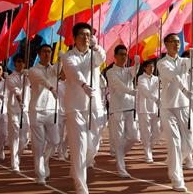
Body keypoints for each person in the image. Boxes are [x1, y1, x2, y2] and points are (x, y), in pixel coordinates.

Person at [61, 23, 107, 194]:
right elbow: (73, 71)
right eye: (82, 34)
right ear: (74, 37)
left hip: (94, 106)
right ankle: (81, 186)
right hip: (76, 107)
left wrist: (98, 46)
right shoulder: (67, 56)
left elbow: (102, 57)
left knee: (92, 147)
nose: (86, 38)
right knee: (79, 146)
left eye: (88, 35)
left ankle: (77, 167)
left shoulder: (94, 55)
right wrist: (84, 85)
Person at [157, 33, 193, 193]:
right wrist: (185, 90)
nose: (176, 44)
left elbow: (192, 64)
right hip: (168, 107)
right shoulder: (162, 63)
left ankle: (174, 160)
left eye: (178, 42)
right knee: (174, 142)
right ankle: (176, 177)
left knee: (189, 144)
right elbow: (172, 76)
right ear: (166, 44)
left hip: (184, 106)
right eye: (172, 41)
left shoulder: (184, 61)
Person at [28, 44, 60, 184]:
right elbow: (42, 80)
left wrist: (61, 59)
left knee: (55, 141)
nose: (47, 54)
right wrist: (51, 88)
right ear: (39, 54)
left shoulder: (53, 69)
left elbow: (59, 71)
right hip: (37, 111)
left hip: (52, 110)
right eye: (44, 52)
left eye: (49, 52)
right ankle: (40, 174)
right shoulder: (33, 70)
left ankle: (45, 161)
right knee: (38, 145)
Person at [106, 45, 139, 178]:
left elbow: (135, 71)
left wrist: (137, 63)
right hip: (117, 109)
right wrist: (130, 91)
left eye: (125, 55)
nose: (123, 57)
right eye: (121, 54)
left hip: (129, 107)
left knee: (133, 137)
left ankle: (119, 154)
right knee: (119, 140)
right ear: (115, 56)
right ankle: (121, 167)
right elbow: (117, 84)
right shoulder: (110, 72)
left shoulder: (128, 71)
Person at [6, 54, 31, 173]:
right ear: (15, 63)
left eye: (23, 62)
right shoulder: (11, 77)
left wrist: (28, 76)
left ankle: (17, 156)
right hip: (14, 109)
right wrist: (20, 101)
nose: (21, 64)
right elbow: (15, 90)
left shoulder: (27, 76)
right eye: (19, 61)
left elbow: (34, 84)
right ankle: (14, 163)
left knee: (25, 139)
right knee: (15, 134)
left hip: (25, 110)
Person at [136, 59, 160, 163]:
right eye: (149, 66)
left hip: (155, 108)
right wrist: (156, 98)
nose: (152, 68)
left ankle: (150, 147)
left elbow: (161, 90)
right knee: (146, 132)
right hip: (144, 108)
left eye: (153, 67)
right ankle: (148, 153)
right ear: (145, 68)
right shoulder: (141, 78)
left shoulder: (156, 78)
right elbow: (145, 91)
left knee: (157, 132)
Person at [57, 69, 68, 160]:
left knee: (70, 134)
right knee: (60, 134)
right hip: (60, 112)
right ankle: (60, 153)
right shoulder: (57, 85)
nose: (65, 74)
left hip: (69, 112)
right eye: (63, 72)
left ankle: (64, 149)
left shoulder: (70, 84)